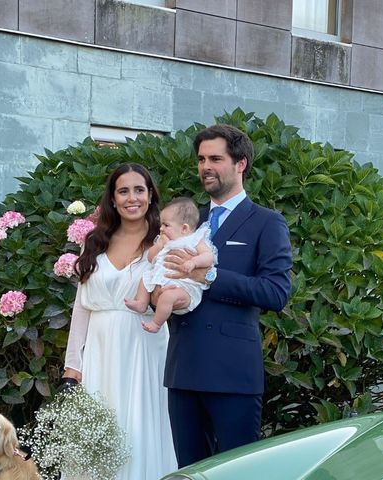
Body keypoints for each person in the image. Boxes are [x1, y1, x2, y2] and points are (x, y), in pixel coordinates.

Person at [160, 124, 293, 468]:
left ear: (241, 164)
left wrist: (211, 276)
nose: (205, 166)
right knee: (190, 472)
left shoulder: (267, 222)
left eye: (216, 158)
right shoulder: (188, 222)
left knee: (240, 473)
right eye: (201, 158)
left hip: (233, 375)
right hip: (183, 370)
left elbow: (276, 293)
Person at [62, 163, 178, 479]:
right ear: (112, 199)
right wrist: (73, 365)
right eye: (123, 191)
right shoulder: (95, 241)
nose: (132, 198)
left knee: (140, 428)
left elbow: (176, 295)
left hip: (144, 347)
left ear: (150, 195)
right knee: (96, 435)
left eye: (139, 190)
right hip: (98, 351)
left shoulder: (164, 240)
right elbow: (82, 307)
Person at [124, 197, 215, 333]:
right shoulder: (163, 240)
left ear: (184, 228)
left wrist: (193, 262)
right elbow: (150, 258)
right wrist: (159, 245)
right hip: (162, 279)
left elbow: (209, 257)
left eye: (166, 225)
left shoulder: (194, 240)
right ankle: (142, 302)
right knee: (145, 277)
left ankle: (156, 323)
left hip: (185, 287)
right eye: (161, 224)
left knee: (168, 297)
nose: (161, 228)